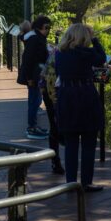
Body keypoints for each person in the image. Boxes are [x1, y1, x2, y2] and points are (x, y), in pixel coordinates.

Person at [54, 23, 106, 192]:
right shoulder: (87, 53)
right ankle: (86, 181)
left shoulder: (60, 54)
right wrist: (95, 39)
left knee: (71, 144)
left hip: (66, 96)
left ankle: (70, 182)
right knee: (89, 142)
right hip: (85, 95)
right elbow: (102, 58)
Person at [18, 15, 52, 140]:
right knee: (34, 101)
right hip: (33, 76)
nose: (48, 30)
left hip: (37, 75)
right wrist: (29, 78)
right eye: (46, 27)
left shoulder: (37, 37)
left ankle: (34, 126)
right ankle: (31, 128)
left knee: (36, 101)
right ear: (39, 27)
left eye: (49, 27)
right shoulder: (35, 39)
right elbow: (27, 60)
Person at [40, 44, 65, 175]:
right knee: (57, 128)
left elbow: (44, 74)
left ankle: (55, 161)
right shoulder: (65, 54)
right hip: (57, 95)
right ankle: (57, 161)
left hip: (49, 94)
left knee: (54, 128)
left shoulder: (55, 53)